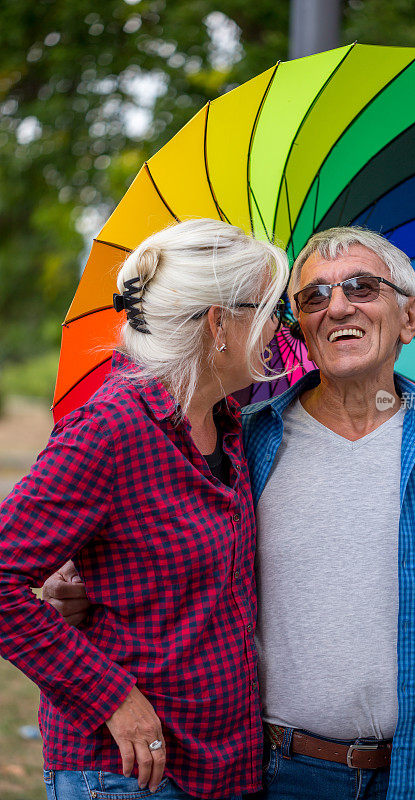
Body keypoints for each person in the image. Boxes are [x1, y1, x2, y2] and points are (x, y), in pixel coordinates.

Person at [44, 227, 415, 800]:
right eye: (312, 297)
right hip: (276, 769)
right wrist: (72, 581)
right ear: (298, 324)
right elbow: (152, 549)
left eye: (362, 287)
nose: (338, 307)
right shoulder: (242, 439)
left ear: (409, 316)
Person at [0, 218, 289, 800]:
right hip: (130, 774)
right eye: (269, 310)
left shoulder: (230, 426)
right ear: (219, 325)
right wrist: (111, 698)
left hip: (222, 763)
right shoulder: (109, 430)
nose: (279, 327)